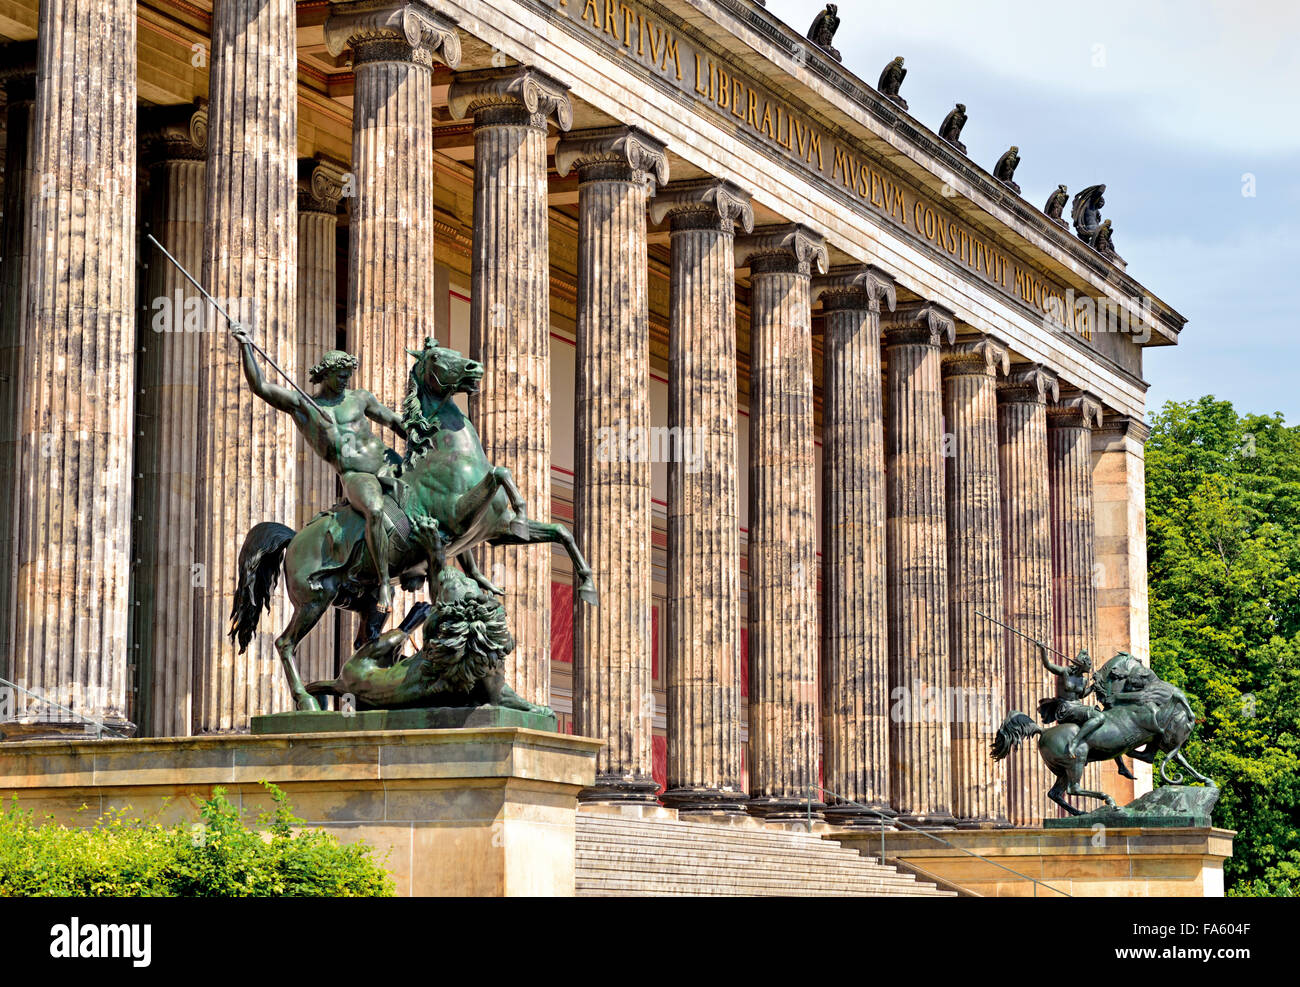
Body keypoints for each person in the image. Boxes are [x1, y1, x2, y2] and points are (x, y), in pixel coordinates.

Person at [232, 326, 407, 613]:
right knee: (374, 511)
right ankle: (384, 583)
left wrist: (415, 432)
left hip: (388, 464)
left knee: (433, 498)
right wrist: (246, 347)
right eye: (339, 376)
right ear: (325, 374)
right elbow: (260, 387)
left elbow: (391, 420)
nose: (344, 381)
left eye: (347, 376)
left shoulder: (360, 398)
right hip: (356, 475)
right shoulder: (305, 406)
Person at [1036, 644, 1106, 758]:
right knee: (1099, 717)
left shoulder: (1083, 680)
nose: (1090, 667)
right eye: (1088, 664)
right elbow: (1047, 665)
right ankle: (1074, 742)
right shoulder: (1065, 671)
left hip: (1077, 706)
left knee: (1100, 717)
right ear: (1081, 664)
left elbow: (1082, 695)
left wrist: (1093, 687)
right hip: (1066, 708)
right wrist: (1043, 650)